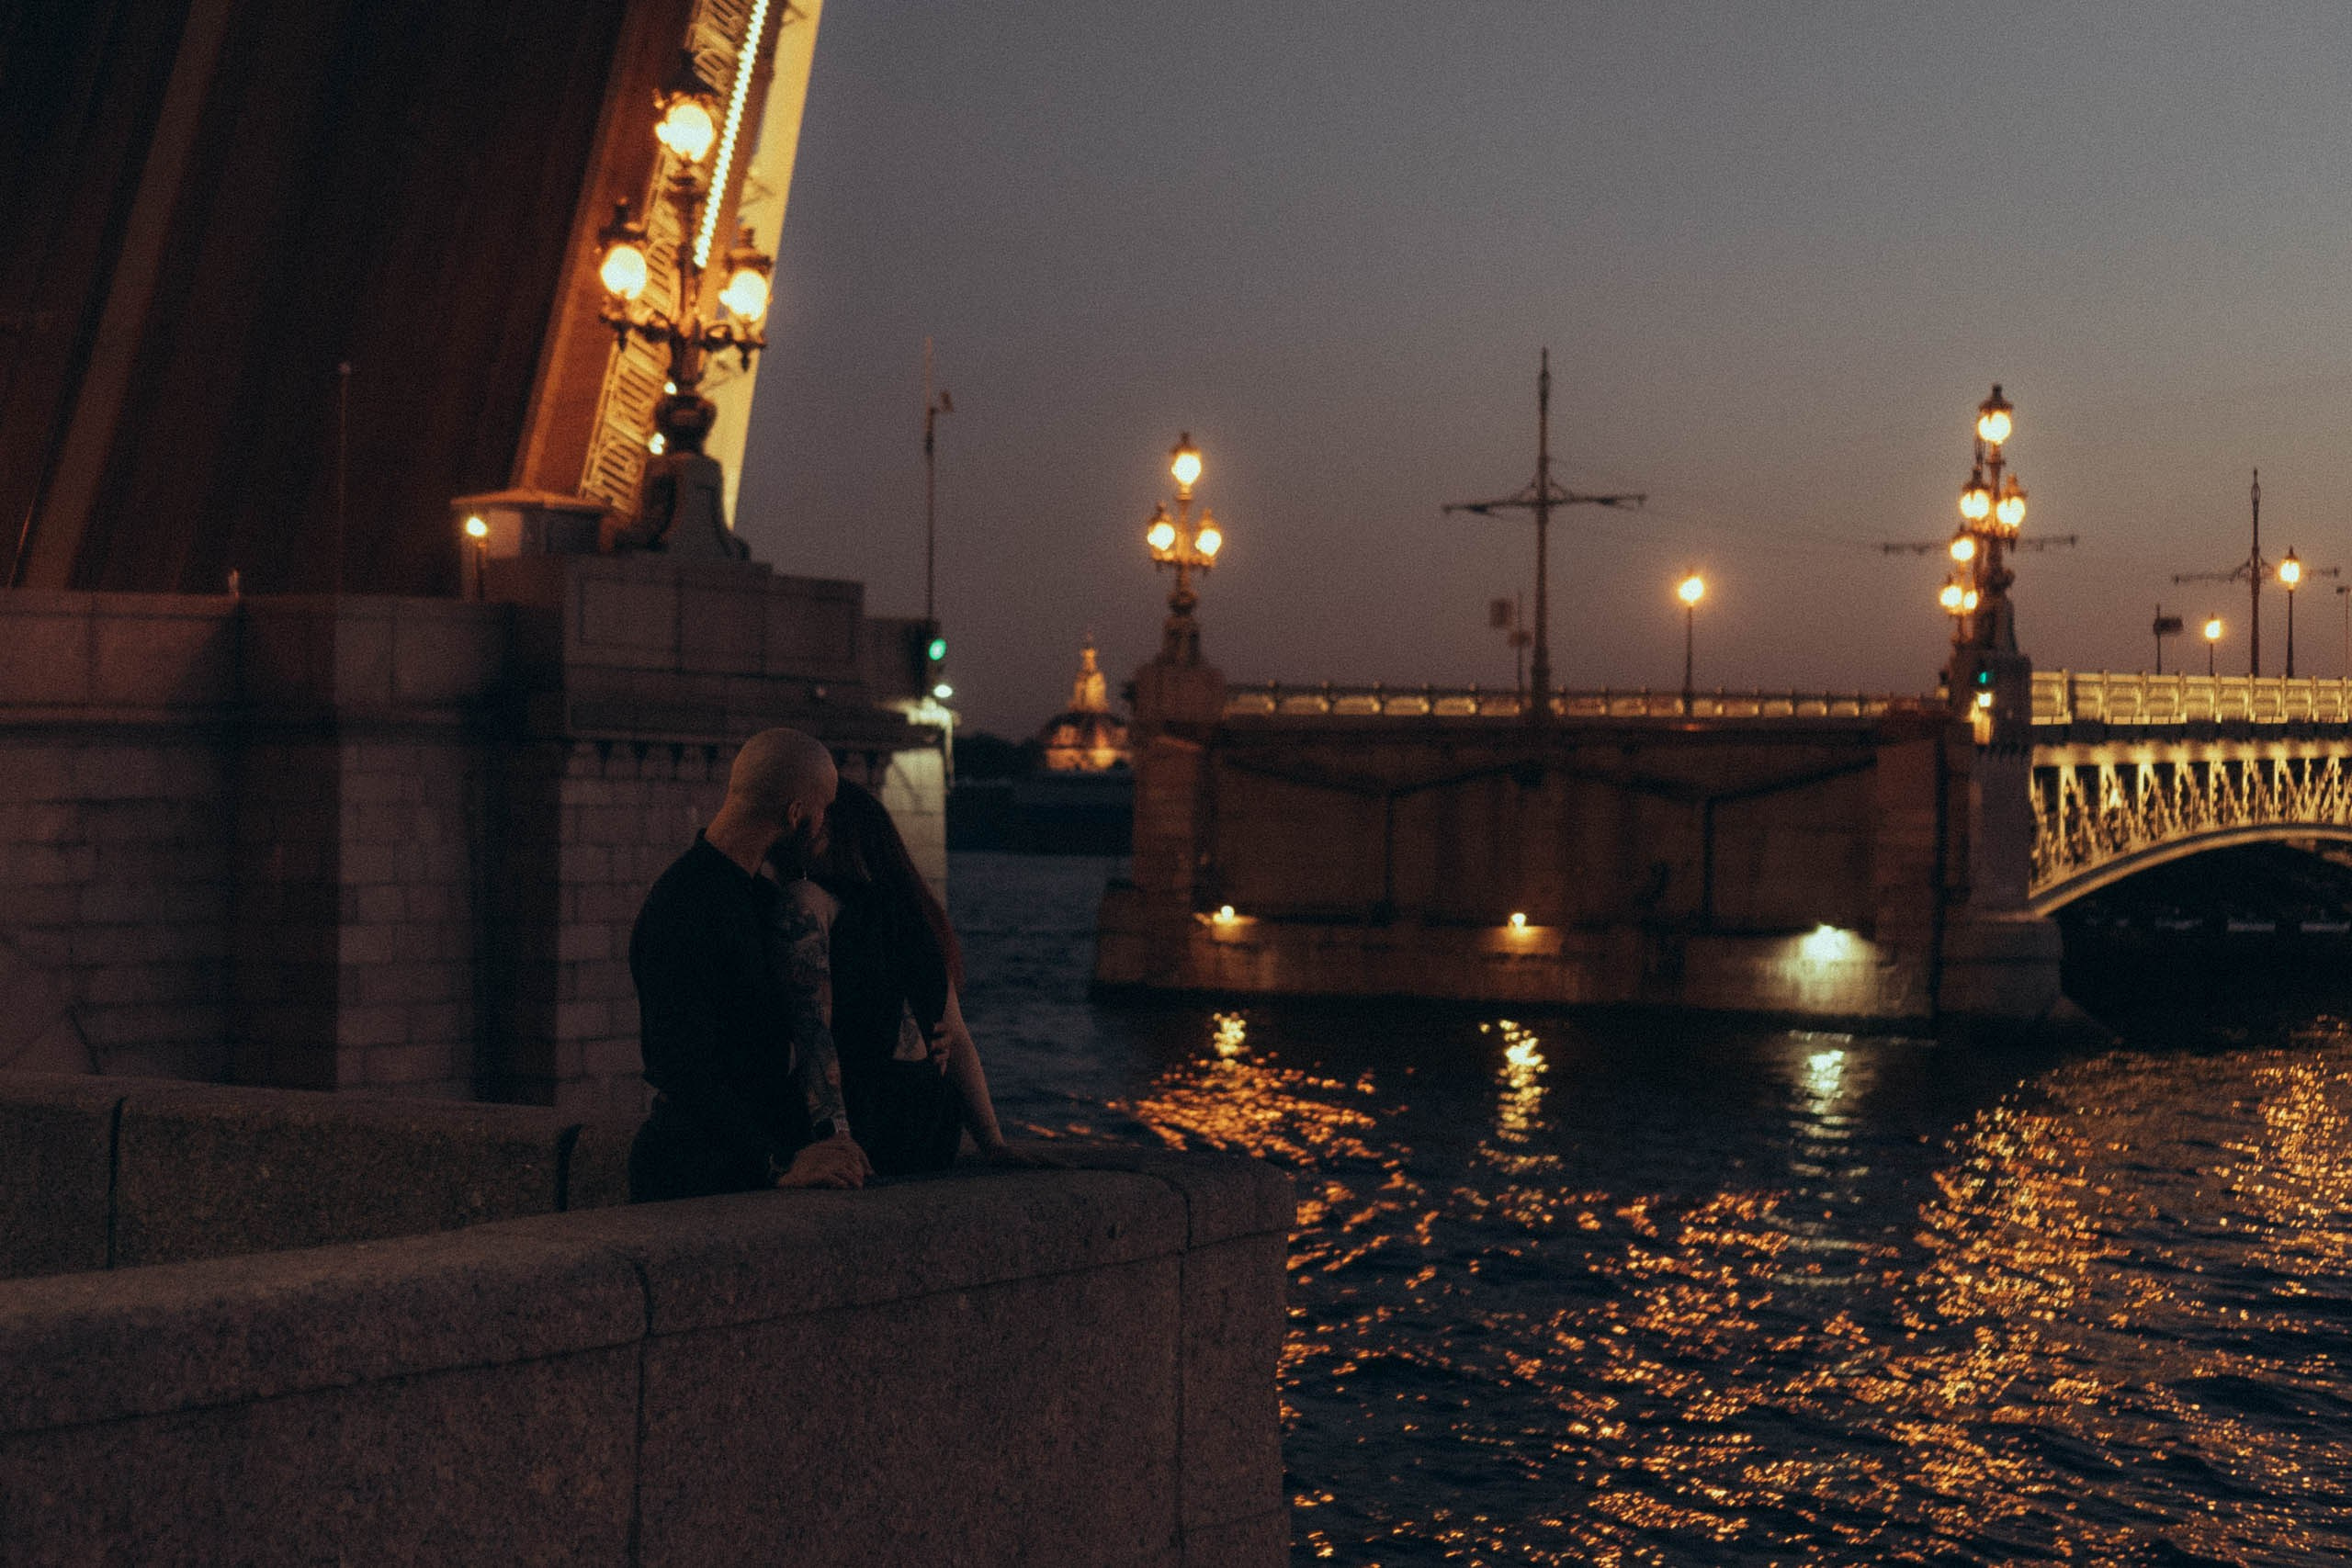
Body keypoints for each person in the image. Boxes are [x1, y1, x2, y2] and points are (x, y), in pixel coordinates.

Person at [626, 728, 871, 1201]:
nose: (825, 825)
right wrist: (777, 1163)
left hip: (730, 1162)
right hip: (695, 1177)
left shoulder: (748, 897)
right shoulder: (685, 905)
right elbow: (683, 1067)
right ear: (795, 814)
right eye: (823, 809)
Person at [782, 779, 1029, 1178]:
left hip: (869, 1120)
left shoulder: (810, 900)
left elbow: (815, 1034)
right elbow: (956, 1034)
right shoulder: (912, 912)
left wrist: (836, 1136)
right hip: (930, 1126)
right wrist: (992, 1142)